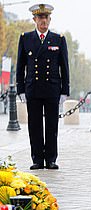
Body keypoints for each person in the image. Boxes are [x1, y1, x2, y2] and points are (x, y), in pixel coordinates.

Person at [16, 3, 69, 170]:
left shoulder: (58, 39)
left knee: (52, 125)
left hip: (52, 88)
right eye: (40, 18)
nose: (43, 21)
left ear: (50, 19)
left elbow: (64, 66)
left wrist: (64, 90)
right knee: (35, 125)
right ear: (34, 20)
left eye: (46, 18)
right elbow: (20, 66)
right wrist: (20, 89)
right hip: (33, 87)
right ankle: (37, 159)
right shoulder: (25, 38)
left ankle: (51, 159)